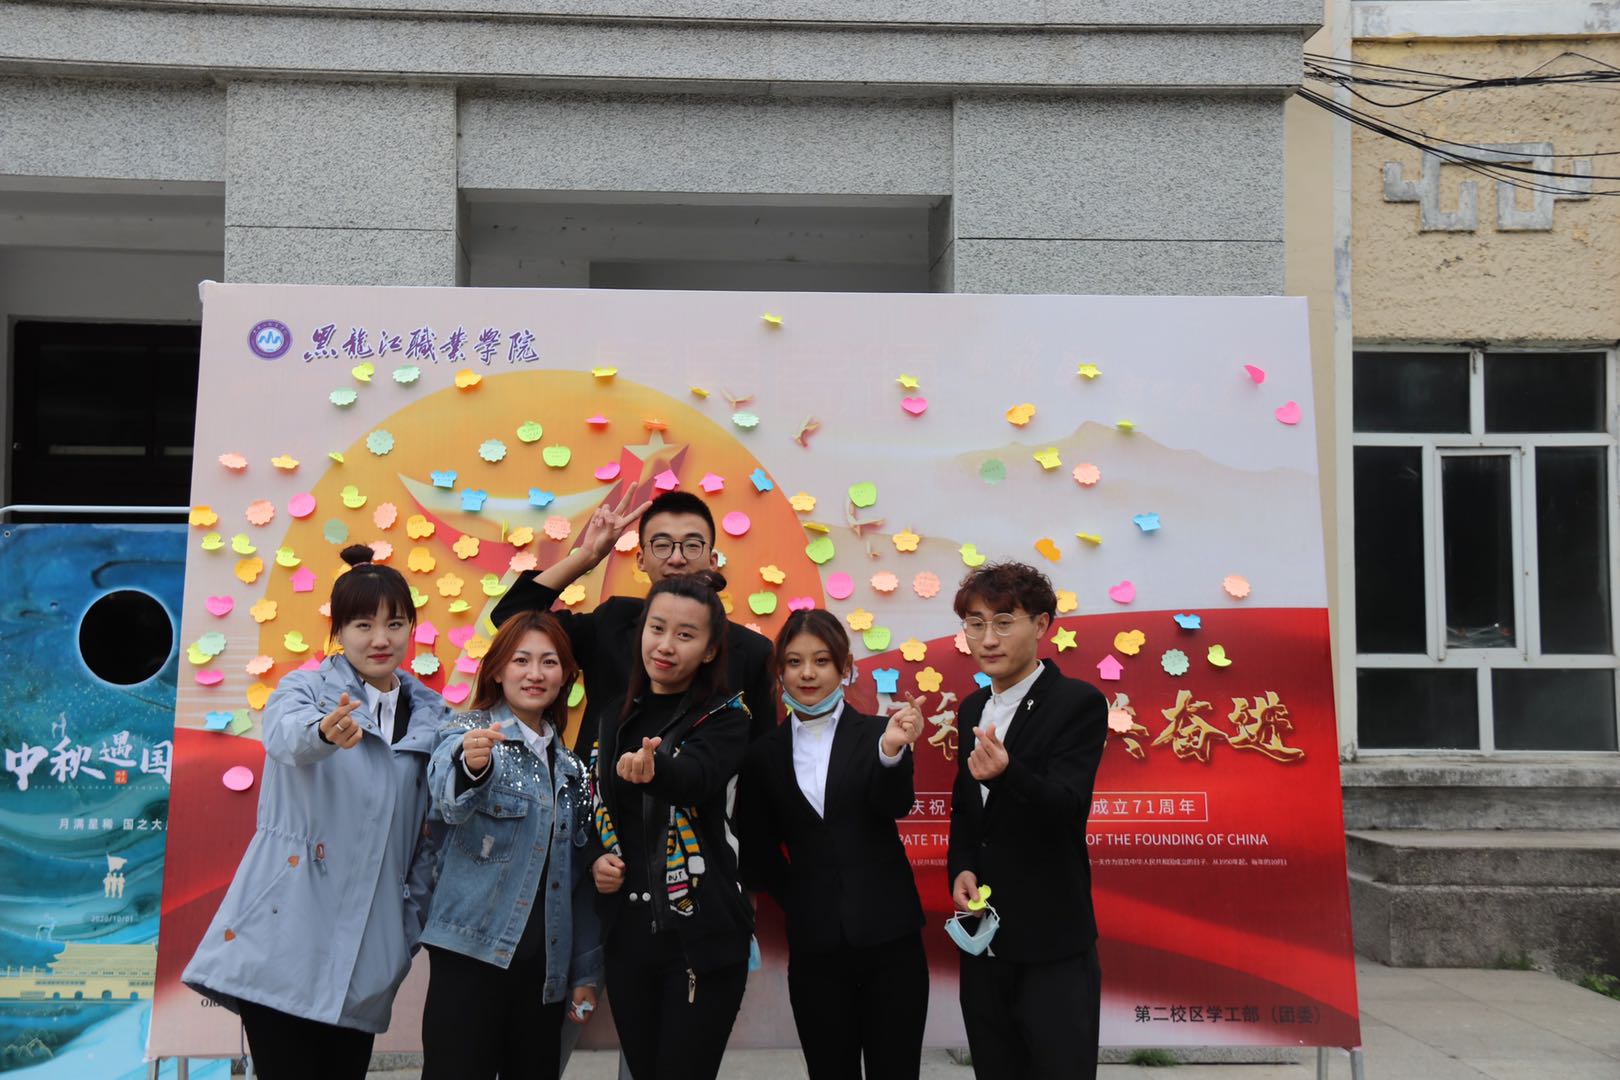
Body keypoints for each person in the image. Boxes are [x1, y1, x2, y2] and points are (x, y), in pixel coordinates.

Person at [183, 544, 448, 1079]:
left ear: (411, 629)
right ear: (339, 631)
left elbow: (429, 839)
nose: (380, 639)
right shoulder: (304, 690)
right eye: (363, 625)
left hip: (367, 951)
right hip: (284, 933)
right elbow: (286, 737)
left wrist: (403, 930)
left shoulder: (433, 718)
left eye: (395, 624)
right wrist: (324, 733)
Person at [737, 610, 929, 1080]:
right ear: (779, 671)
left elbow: (895, 805)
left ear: (844, 668)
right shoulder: (763, 755)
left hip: (891, 941)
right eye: (794, 661)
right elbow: (757, 851)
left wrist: (891, 752)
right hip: (815, 949)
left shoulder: (880, 734)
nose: (807, 673)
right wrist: (804, 897)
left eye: (821, 661)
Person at [418, 610, 603, 1080]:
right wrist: (472, 765)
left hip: (544, 970)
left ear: (565, 676)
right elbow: (447, 798)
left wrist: (584, 972)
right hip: (469, 959)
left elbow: (579, 881)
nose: (535, 673)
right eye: (521, 660)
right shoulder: (466, 732)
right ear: (498, 670)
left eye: (549, 662)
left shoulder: (573, 770)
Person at [945, 561, 1108, 1080]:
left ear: (1041, 625)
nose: (987, 639)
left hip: (1052, 944)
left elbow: (1067, 808)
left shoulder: (1077, 703)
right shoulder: (972, 708)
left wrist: (1008, 774)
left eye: (1003, 622)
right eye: (975, 624)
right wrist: (962, 866)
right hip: (984, 940)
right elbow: (967, 809)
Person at [588, 570, 753, 1080]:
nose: (665, 645)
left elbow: (696, 778)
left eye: (685, 635)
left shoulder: (727, 716)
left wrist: (656, 769)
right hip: (627, 939)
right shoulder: (613, 715)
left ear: (709, 650)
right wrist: (595, 859)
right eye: (656, 628)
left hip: (700, 937)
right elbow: (591, 805)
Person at [491, 488, 775, 744]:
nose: (677, 558)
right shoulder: (612, 621)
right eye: (662, 545)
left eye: (691, 545)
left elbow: (761, 753)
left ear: (712, 561)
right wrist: (588, 555)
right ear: (641, 560)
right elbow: (512, 618)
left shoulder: (752, 651)